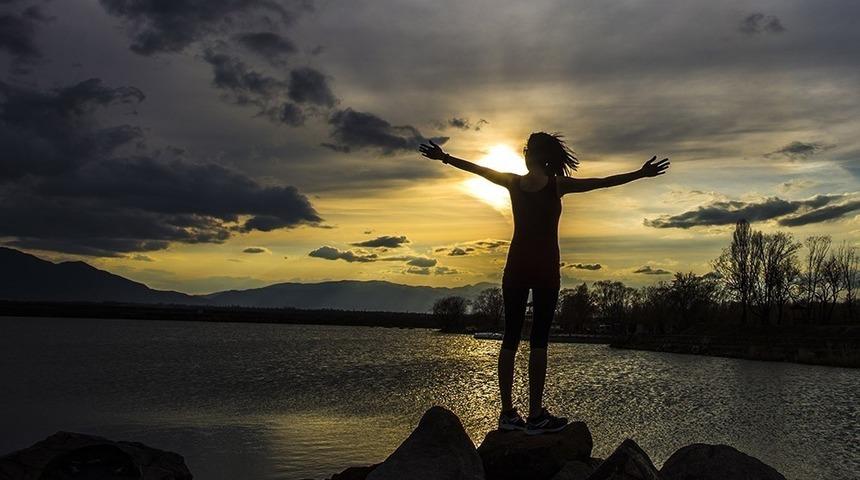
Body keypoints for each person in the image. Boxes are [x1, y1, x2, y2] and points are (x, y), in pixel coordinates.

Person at [419, 132, 669, 435]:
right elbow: (603, 182)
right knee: (539, 340)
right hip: (545, 269)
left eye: (525, 149)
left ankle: (508, 413)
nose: (523, 154)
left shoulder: (514, 182)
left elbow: (477, 169)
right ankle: (535, 415)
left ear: (531, 155)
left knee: (510, 337)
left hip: (517, 267)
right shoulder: (556, 186)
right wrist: (640, 174)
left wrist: (445, 158)